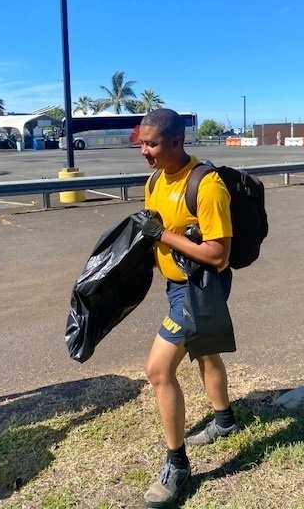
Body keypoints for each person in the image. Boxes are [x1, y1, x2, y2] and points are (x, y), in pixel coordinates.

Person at [132, 108, 239, 508]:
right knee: (204, 351)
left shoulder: (207, 185)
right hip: (174, 283)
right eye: (141, 143)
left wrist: (162, 234)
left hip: (199, 287)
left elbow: (218, 255)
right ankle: (225, 420)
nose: (144, 151)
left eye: (152, 144)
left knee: (158, 370)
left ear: (176, 141)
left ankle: (176, 465)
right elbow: (157, 232)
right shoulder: (156, 178)